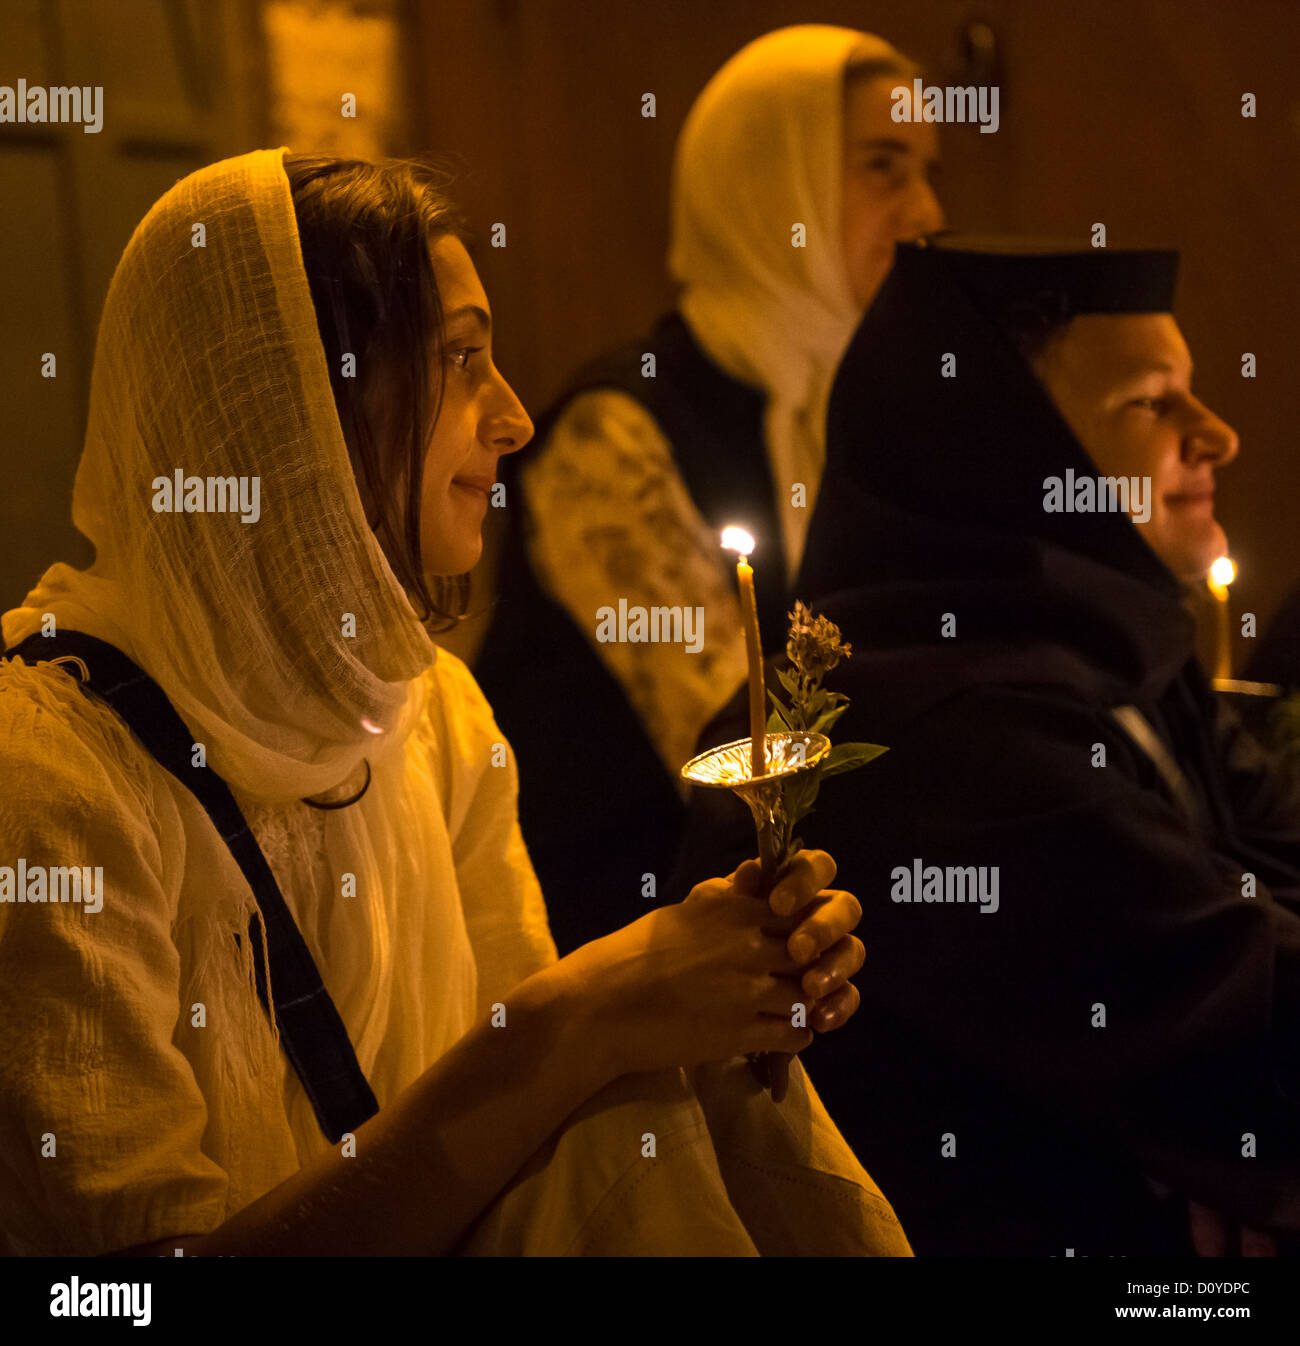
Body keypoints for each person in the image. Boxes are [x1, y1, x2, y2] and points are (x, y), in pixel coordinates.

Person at [0, 149, 910, 1257]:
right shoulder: (47, 774)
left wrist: (717, 997)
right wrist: (576, 1017)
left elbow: (533, 1138)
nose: (517, 418)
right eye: (462, 359)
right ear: (295, 400)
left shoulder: (435, 713)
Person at [674, 235, 1300, 1255]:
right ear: (1012, 445)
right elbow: (1238, 1005)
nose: (1217, 434)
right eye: (1153, 400)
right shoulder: (949, 729)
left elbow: (1271, 864)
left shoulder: (1117, 645)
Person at [473, 25, 944, 956]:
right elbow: (753, 761)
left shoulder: (866, 400)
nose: (927, 210)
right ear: (772, 181)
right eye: (884, 167)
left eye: (928, 168)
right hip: (619, 946)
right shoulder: (612, 433)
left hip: (801, 908)